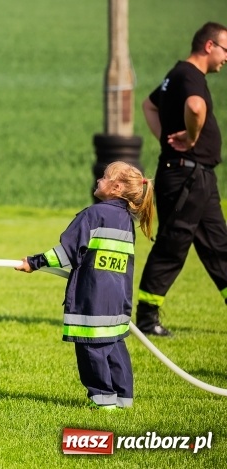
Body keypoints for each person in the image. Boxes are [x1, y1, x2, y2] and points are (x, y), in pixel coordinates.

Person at [16, 161, 155, 410]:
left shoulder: (94, 214)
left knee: (91, 350)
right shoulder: (125, 220)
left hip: (93, 298)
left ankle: (103, 400)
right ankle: (124, 399)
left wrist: (33, 263)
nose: (99, 179)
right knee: (114, 346)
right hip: (117, 298)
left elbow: (66, 253)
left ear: (116, 187)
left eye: (104, 177)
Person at [137, 21, 227, 336]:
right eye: (225, 50)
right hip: (186, 176)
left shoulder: (175, 74)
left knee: (218, 244)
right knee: (173, 244)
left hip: (197, 177)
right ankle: (147, 320)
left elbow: (148, 105)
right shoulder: (190, 77)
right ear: (209, 46)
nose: (226, 58)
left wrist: (164, 139)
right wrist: (191, 138)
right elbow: (195, 105)